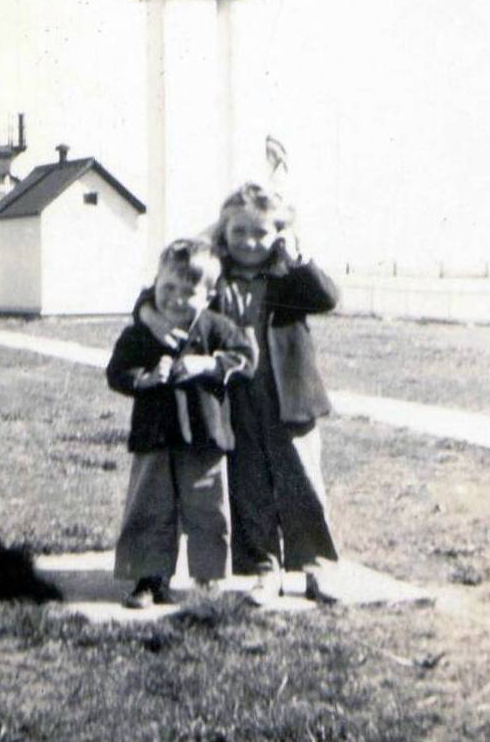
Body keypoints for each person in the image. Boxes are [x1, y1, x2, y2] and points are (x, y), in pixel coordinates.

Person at [137, 183, 339, 602]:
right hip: (234, 398)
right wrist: (148, 314)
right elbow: (159, 291)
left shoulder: (288, 274)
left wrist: (299, 258)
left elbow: (327, 297)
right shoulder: (213, 272)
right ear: (222, 232)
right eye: (238, 231)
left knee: (301, 482)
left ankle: (317, 568)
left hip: (289, 396)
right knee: (249, 488)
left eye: (260, 233)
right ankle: (265, 568)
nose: (249, 242)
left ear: (278, 234)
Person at [107, 238, 256, 609]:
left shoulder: (217, 327)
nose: (174, 298)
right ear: (154, 284)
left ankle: (208, 580)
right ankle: (149, 579)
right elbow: (117, 372)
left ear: (207, 296)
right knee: (150, 508)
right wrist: (144, 378)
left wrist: (208, 364)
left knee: (207, 510)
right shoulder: (140, 332)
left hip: (206, 438)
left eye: (187, 291)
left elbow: (246, 360)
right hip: (154, 437)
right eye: (167, 287)